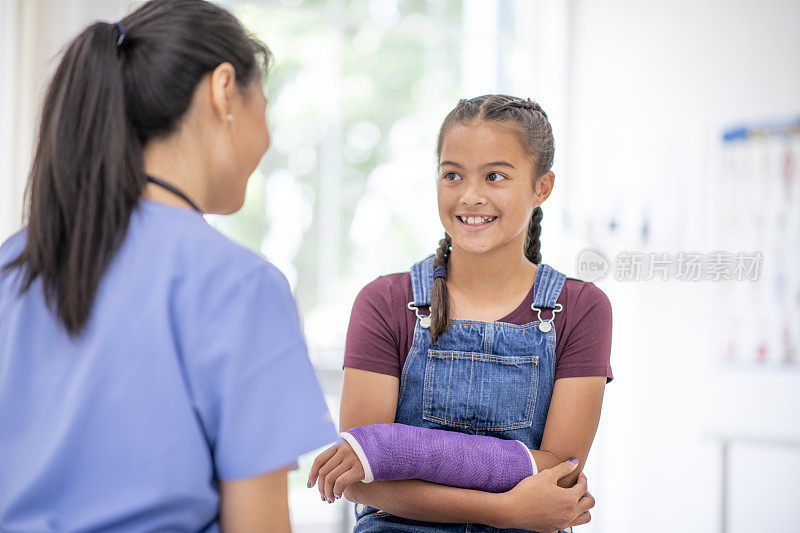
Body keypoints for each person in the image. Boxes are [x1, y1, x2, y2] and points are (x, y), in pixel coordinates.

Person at [0, 1, 337, 531]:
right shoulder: (240, 286)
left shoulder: (13, 266)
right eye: (264, 105)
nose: (267, 138)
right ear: (224, 90)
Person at [308, 95, 612, 532]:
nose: (470, 196)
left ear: (541, 187)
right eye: (453, 175)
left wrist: (393, 450)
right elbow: (357, 475)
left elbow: (556, 474)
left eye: (495, 176)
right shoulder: (384, 301)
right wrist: (505, 510)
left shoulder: (581, 309)